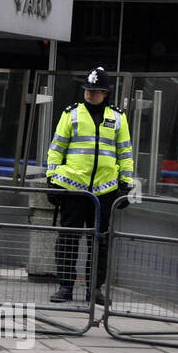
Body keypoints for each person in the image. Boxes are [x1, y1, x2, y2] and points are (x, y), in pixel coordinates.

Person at [46, 66, 134, 305]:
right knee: (68, 238)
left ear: (105, 93)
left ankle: (94, 289)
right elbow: (56, 148)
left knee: (101, 241)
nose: (90, 94)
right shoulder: (71, 113)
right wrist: (51, 181)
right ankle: (65, 287)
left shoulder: (117, 117)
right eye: (87, 90)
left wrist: (127, 185)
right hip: (73, 187)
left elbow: (125, 153)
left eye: (95, 91)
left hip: (105, 190)